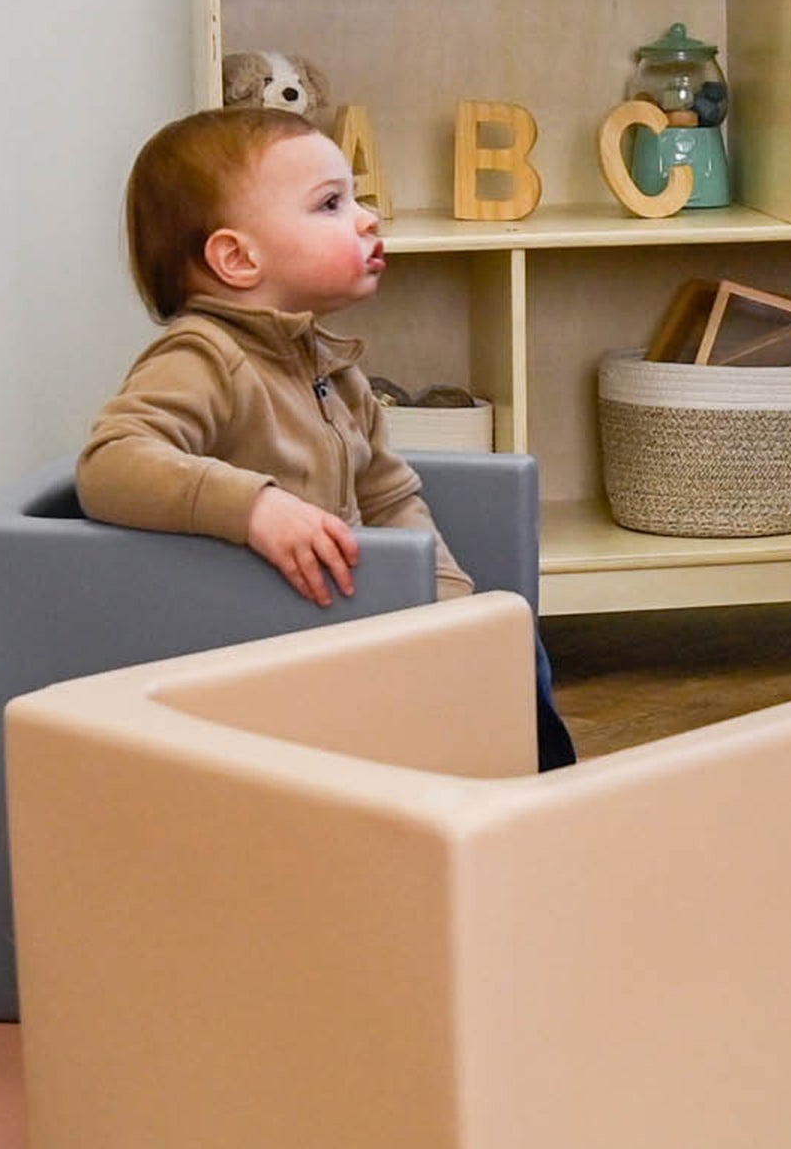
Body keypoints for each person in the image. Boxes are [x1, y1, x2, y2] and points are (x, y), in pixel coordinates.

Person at [79, 103, 575, 768]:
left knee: (511, 638)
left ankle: (522, 799)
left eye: (358, 199)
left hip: (340, 620)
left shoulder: (330, 367)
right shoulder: (202, 357)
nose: (367, 218)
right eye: (331, 204)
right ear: (237, 257)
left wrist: (452, 606)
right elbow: (111, 462)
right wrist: (253, 507)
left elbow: (391, 498)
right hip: (260, 644)